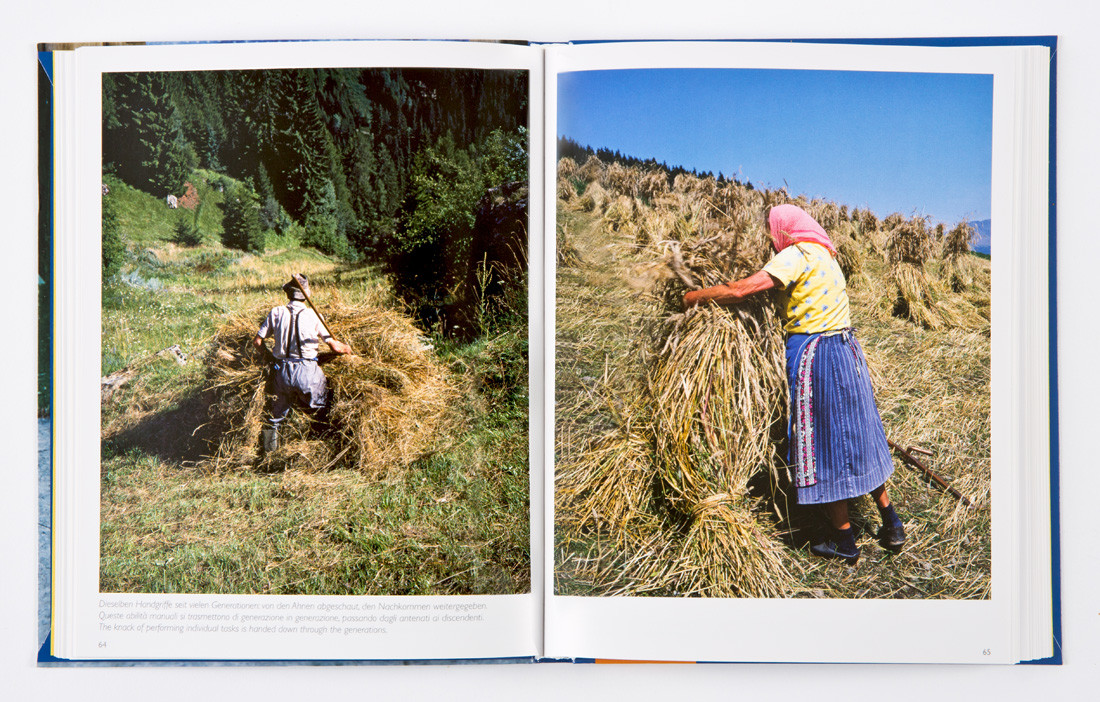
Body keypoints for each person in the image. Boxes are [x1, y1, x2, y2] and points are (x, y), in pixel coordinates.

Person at [682, 204, 905, 564]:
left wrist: (693, 298)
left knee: (823, 442)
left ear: (784, 231)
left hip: (817, 358)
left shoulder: (795, 255)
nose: (773, 238)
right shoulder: (826, 256)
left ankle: (844, 540)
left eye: (774, 231)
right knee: (862, 434)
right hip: (848, 353)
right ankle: (891, 523)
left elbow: (741, 291)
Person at [252, 274, 352, 454]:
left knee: (274, 417)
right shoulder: (314, 315)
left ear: (288, 294)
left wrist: (268, 357)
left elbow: (257, 342)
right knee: (320, 412)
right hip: (308, 371)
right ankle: (319, 452)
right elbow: (335, 347)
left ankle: (268, 454)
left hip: (281, 371)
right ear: (306, 295)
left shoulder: (276, 312)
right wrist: (348, 349)